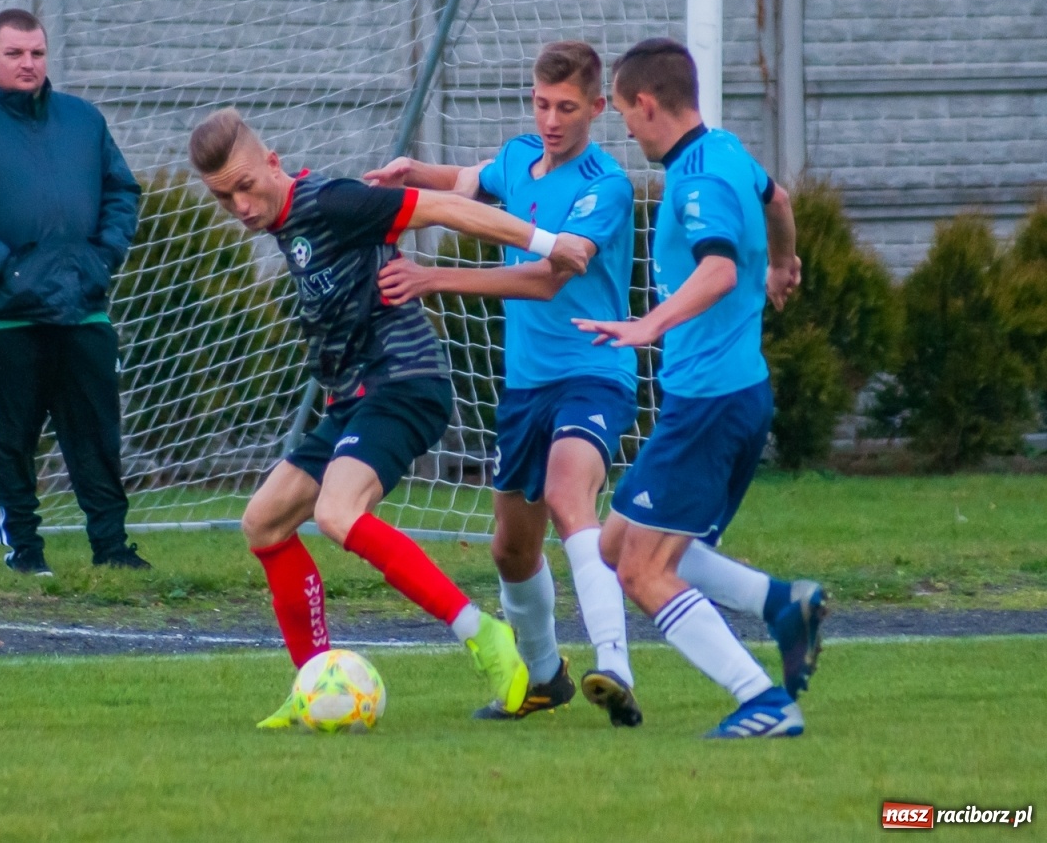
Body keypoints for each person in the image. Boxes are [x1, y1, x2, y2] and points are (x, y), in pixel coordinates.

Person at [187, 107, 593, 727]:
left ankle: (486, 637)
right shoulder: (285, 223)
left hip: (405, 384)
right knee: (264, 523)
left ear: (273, 164)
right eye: (224, 196)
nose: (240, 205)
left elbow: (444, 208)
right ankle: (312, 688)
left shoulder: (333, 201)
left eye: (246, 185)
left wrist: (546, 242)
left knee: (336, 513)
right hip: (356, 398)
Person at [364, 41, 645, 726]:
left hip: (592, 371)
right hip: (525, 387)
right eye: (542, 104)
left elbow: (545, 277)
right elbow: (474, 180)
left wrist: (434, 278)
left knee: (568, 494)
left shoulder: (604, 187)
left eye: (568, 108)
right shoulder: (521, 155)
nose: (552, 120)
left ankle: (614, 664)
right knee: (511, 547)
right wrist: (415, 173)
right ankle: (547, 677)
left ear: (599, 108)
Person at [574, 38, 827, 739]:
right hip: (727, 396)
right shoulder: (726, 154)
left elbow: (715, 270)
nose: (624, 127)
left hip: (709, 405)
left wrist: (647, 325)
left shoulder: (696, 182)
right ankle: (782, 604)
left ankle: (763, 700)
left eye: (624, 111)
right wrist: (783, 263)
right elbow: (777, 199)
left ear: (648, 104)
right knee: (614, 541)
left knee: (641, 571)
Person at [0, 9, 148, 577]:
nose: (29, 64)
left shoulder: (83, 120)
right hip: (6, 315)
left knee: (97, 438)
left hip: (83, 310)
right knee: (12, 444)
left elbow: (122, 192)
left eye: (37, 53)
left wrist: (100, 260)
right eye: (16, 53)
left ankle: (112, 548)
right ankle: (24, 551)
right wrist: (9, 269)